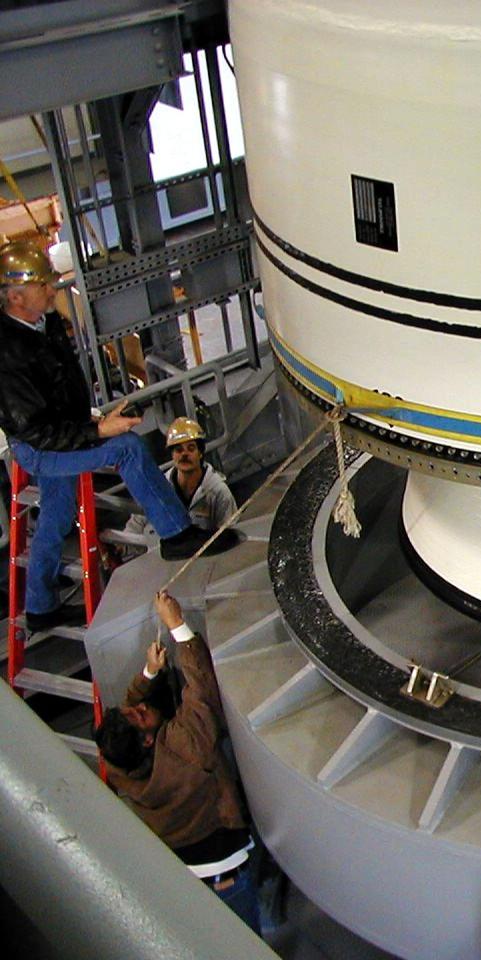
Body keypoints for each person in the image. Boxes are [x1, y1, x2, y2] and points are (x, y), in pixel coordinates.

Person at [0, 239, 236, 631]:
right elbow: (36, 429)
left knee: (56, 517)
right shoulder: (7, 353)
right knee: (126, 449)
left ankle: (40, 609)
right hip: (41, 447)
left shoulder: (43, 321)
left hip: (64, 430)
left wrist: (95, 416)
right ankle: (176, 534)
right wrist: (97, 430)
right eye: (45, 284)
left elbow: (60, 386)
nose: (53, 288)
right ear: (17, 296)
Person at [94, 591, 260, 933]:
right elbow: (202, 691)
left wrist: (149, 673)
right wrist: (177, 625)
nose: (140, 706)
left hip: (185, 871)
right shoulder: (184, 748)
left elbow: (129, 708)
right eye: (141, 715)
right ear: (149, 740)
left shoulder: (119, 763)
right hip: (225, 873)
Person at [124, 417, 237, 545]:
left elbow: (231, 533)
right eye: (178, 450)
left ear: (200, 453)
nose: (184, 454)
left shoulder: (218, 492)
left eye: (191, 448)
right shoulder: (156, 489)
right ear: (172, 455)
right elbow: (135, 527)